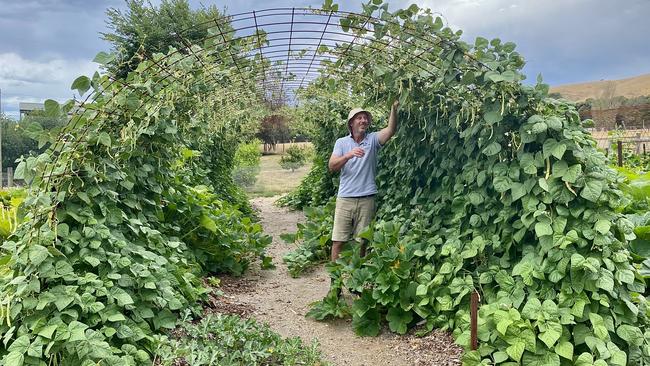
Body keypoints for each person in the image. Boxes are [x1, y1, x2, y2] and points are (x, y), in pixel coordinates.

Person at [328, 101, 399, 266]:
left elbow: (390, 130)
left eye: (365, 118)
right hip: (345, 199)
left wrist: (393, 109)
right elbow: (332, 166)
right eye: (359, 118)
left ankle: (356, 279)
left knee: (362, 242)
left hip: (367, 199)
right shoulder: (342, 143)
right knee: (338, 241)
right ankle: (336, 281)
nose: (363, 121)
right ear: (351, 123)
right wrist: (348, 155)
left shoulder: (373, 140)